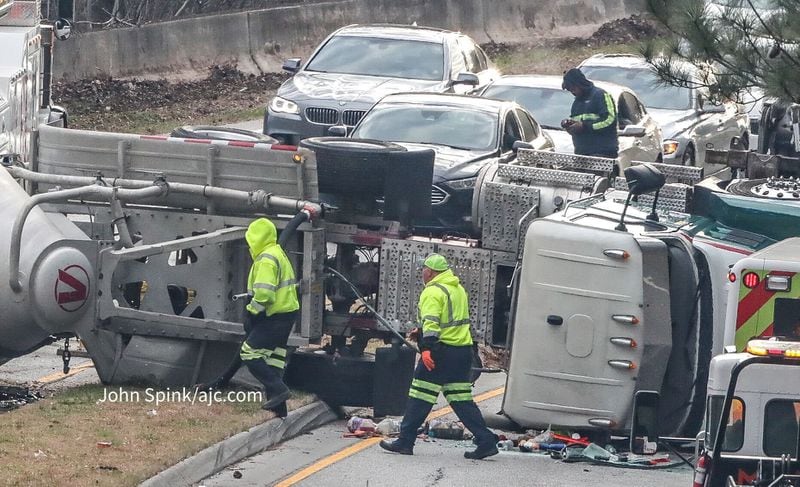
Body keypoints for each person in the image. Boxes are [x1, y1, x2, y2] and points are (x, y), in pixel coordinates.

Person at [380, 253, 499, 460]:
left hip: (439, 353)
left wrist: (426, 349)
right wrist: (421, 331)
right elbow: (449, 321)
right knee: (461, 400)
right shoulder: (457, 288)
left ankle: (405, 442)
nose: (422, 273)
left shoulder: (432, 292)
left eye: (424, 269)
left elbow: (433, 325)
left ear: (431, 272)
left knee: (419, 396)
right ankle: (486, 440)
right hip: (462, 352)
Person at [239, 217, 300, 417]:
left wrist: (251, 311)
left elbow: (264, 294)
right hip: (287, 315)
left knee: (249, 353)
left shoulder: (266, 259)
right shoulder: (277, 253)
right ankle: (279, 409)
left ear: (256, 238)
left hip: (274, 317)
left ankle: (280, 390)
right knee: (274, 360)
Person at [560, 67, 619, 160]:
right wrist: (570, 127)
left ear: (580, 84)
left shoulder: (600, 95)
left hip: (602, 153)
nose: (573, 92)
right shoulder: (576, 103)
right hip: (582, 154)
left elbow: (609, 120)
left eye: (573, 88)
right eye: (570, 90)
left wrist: (585, 127)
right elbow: (578, 124)